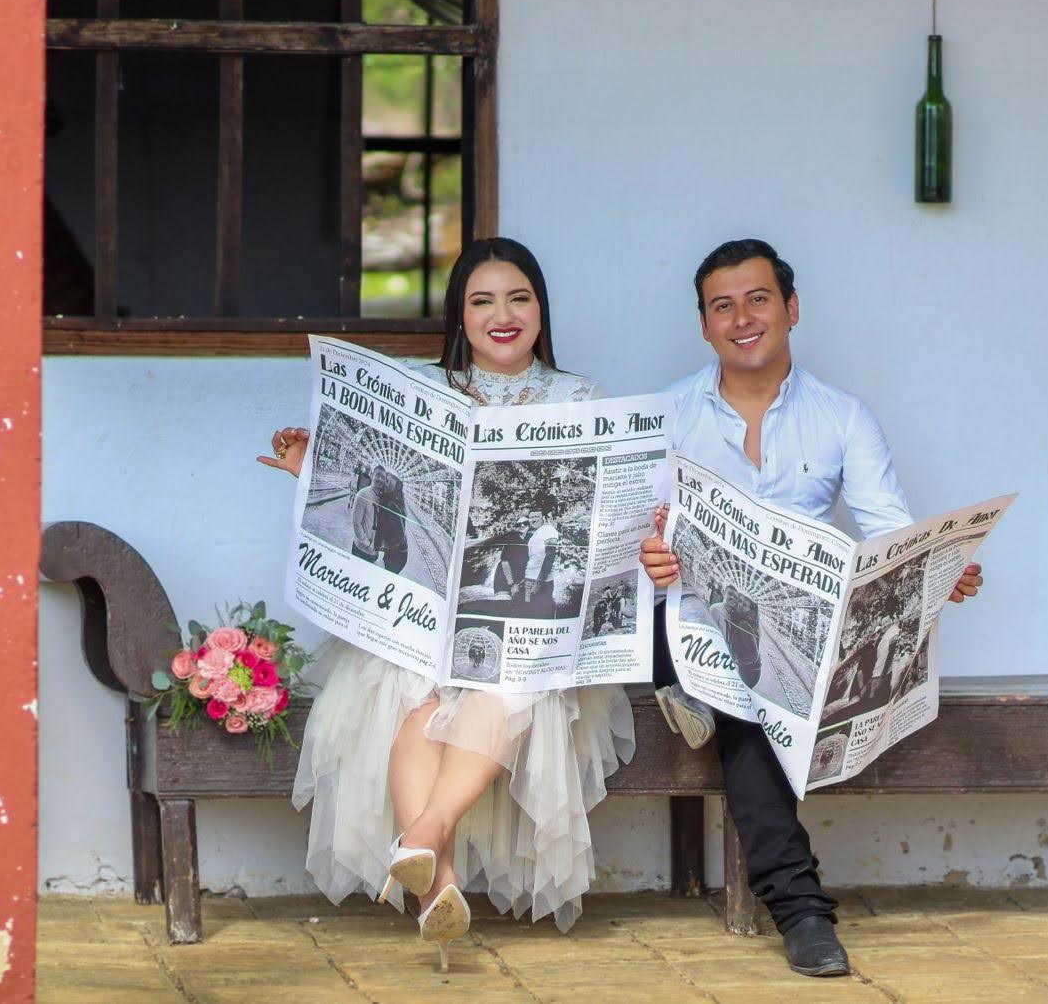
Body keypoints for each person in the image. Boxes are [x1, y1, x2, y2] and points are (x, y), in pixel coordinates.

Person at [258, 238, 629, 971]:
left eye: (518, 298)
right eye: (482, 301)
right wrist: (312, 470)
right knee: (408, 688)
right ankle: (439, 882)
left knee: (504, 683)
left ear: (541, 309)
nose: (502, 315)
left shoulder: (580, 398)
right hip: (426, 608)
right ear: (460, 314)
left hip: (528, 614)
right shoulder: (421, 388)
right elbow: (369, 501)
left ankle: (422, 838)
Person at [639, 238, 983, 978]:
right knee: (747, 695)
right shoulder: (666, 415)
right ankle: (801, 912)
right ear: (704, 326)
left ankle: (694, 696)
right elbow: (632, 532)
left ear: (791, 309)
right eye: (722, 307)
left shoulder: (843, 417)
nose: (742, 319)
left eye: (758, 299)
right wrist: (651, 554)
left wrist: (935, 568)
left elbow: (887, 527)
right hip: (688, 617)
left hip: (790, 629)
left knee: (754, 683)